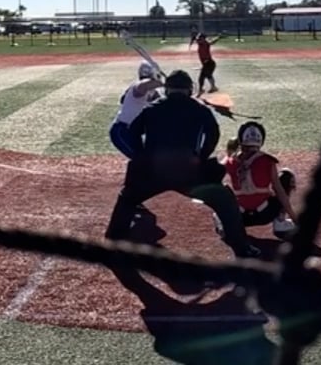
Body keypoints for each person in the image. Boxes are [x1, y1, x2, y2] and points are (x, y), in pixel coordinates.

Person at [107, 70, 257, 259]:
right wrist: (201, 157)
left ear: (167, 89)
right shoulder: (200, 109)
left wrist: (143, 156)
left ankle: (113, 243)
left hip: (154, 170)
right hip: (188, 171)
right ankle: (243, 249)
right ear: (189, 89)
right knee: (225, 200)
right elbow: (213, 134)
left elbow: (132, 133)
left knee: (127, 198)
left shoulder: (151, 109)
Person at [221, 122, 299, 238]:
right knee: (286, 176)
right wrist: (295, 218)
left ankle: (224, 221)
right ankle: (280, 222)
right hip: (265, 214)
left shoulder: (229, 162)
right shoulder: (268, 161)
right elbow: (280, 192)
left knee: (223, 188)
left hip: (240, 217)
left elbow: (213, 180)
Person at [109, 62, 165, 160]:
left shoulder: (153, 92)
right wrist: (163, 83)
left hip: (134, 132)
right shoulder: (139, 86)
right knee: (140, 160)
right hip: (122, 130)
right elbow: (144, 86)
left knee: (144, 159)